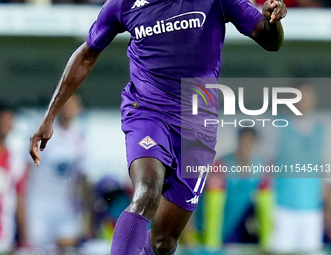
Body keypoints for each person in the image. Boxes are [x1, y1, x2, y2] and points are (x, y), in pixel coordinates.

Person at [29, 0, 287, 253]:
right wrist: (50, 116)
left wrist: (274, 22)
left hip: (197, 126)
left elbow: (270, 40)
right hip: (147, 113)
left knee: (164, 241)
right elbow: (86, 54)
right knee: (147, 191)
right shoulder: (123, 4)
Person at [26, 94, 89, 254]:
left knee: (66, 249)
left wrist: (87, 215)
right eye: (66, 104)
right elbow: (27, 172)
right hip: (38, 206)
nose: (69, 109)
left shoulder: (81, 139)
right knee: (38, 249)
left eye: (73, 105)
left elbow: (83, 180)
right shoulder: (42, 133)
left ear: (79, 109)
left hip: (66, 208)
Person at [270, 84, 325, 254]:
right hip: (282, 208)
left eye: (306, 98)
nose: (302, 103)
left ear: (313, 101)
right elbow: (267, 165)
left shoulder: (321, 130)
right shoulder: (277, 126)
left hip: (312, 210)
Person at [202, 128, 272, 251]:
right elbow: (213, 209)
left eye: (251, 144)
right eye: (244, 143)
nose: (247, 148)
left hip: (236, 226)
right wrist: (211, 246)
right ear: (238, 142)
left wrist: (266, 244)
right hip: (212, 227)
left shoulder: (261, 166)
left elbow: (265, 207)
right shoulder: (222, 165)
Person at [0, 103, 28, 254]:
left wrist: (24, 238)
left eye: (9, 121)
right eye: (2, 120)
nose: (5, 125)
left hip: (3, 235)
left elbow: (20, 200)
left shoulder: (16, 160)